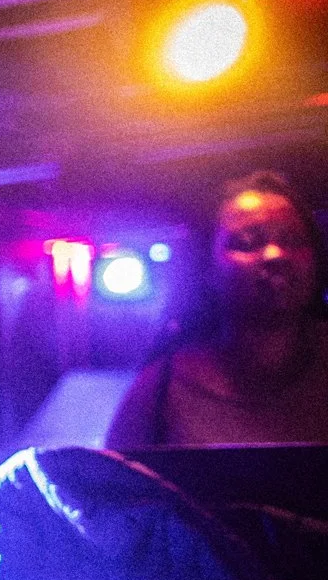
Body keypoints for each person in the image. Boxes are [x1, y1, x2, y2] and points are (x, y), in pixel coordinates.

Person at [105, 170, 328, 449]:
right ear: (205, 265)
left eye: (293, 240)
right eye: (247, 243)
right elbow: (114, 489)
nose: (276, 255)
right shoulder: (163, 387)